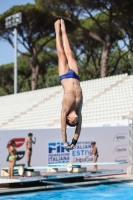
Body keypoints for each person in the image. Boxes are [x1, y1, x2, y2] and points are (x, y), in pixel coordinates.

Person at [54, 19, 83, 150]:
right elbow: (79, 128)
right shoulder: (79, 109)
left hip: (65, 76)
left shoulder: (65, 109)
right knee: (69, 52)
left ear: (67, 117)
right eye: (75, 122)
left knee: (61, 53)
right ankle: (64, 29)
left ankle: (56, 29)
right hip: (76, 76)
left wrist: (65, 143)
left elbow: (62, 129)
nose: (75, 121)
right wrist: (74, 142)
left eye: (72, 121)